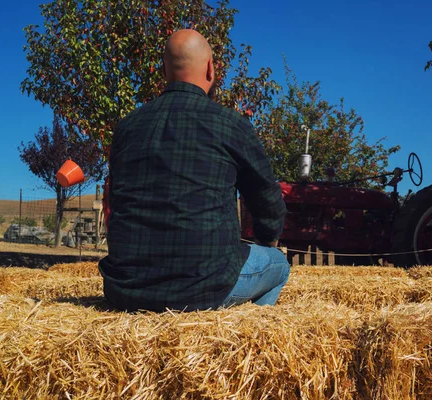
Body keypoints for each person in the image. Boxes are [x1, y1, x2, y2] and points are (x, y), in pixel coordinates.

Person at [98, 29, 289, 312]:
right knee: (279, 265)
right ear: (211, 69)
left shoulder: (126, 128)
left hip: (124, 289)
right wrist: (267, 239)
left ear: (164, 70)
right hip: (203, 289)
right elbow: (268, 202)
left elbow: (115, 200)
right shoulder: (230, 125)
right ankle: (243, 337)